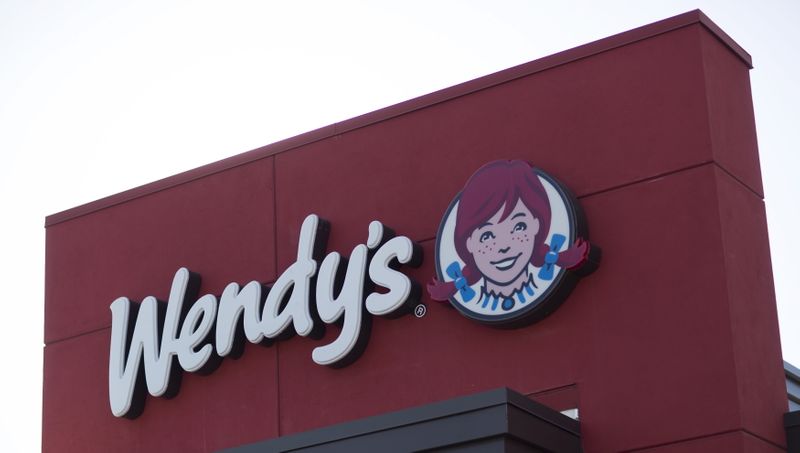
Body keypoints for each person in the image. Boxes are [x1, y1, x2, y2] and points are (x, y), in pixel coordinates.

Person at [428, 160, 589, 311]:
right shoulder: (474, 301)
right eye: (487, 236)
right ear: (469, 242)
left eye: (519, 227)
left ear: (536, 225)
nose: (504, 246)